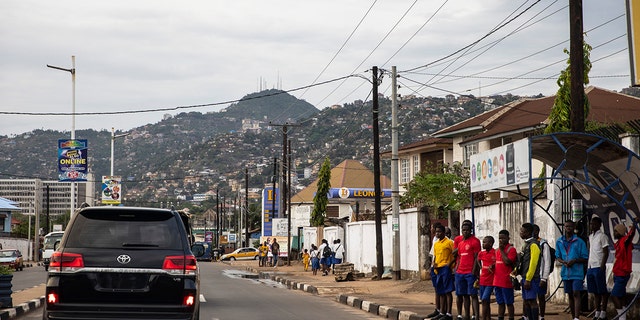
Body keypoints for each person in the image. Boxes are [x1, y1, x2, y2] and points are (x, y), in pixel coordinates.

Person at [555, 220, 588, 320]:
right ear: (564, 227)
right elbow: (557, 256)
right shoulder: (559, 241)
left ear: (574, 228)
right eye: (566, 226)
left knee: (576, 293)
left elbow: (585, 257)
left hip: (577, 272)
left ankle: (577, 317)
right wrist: (563, 262)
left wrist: (575, 261)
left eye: (570, 226)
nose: (568, 228)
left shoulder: (579, 242)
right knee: (569, 294)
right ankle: (573, 316)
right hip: (566, 272)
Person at [610, 217, 638, 320]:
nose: (614, 233)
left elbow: (631, 235)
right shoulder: (617, 243)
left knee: (614, 295)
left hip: (622, 274)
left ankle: (621, 317)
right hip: (617, 273)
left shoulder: (625, 242)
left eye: (616, 231)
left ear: (620, 232)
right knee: (620, 296)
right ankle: (623, 317)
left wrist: (634, 224)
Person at [453, 222, 481, 320]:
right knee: (463, 295)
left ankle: (476, 315)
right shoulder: (460, 243)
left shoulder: (475, 241)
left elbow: (477, 257)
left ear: (471, 230)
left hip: (470, 273)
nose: (465, 232)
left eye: (467, 230)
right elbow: (459, 257)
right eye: (463, 230)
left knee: (473, 294)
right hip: (460, 272)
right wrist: (456, 268)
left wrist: (474, 272)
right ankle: (466, 315)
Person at [586, 216, 609, 320]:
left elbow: (605, 252)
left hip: (598, 266)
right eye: (591, 223)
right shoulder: (590, 237)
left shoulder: (602, 236)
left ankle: (603, 312)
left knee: (602, 291)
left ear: (599, 225)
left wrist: (602, 265)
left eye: (594, 224)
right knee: (595, 291)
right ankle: (597, 312)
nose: (592, 225)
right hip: (591, 266)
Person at [432, 224, 455, 320]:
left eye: (440, 232)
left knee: (447, 291)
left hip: (446, 268)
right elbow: (435, 255)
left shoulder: (449, 242)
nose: (438, 233)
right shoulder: (436, 243)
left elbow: (455, 255)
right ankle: (442, 312)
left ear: (443, 233)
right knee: (440, 291)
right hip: (438, 269)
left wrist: (449, 265)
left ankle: (449, 313)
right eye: (436, 232)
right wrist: (434, 264)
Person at [519, 223, 542, 320]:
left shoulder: (533, 245)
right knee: (527, 301)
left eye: (522, 231)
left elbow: (533, 263)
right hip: (525, 277)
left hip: (531, 278)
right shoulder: (526, 244)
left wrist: (528, 279)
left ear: (528, 233)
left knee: (532, 301)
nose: (520, 233)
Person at [494, 229, 517, 320]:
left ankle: (511, 317)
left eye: (503, 238)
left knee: (509, 302)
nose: (501, 240)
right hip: (497, 280)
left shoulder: (511, 249)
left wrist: (502, 250)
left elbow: (507, 262)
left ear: (508, 238)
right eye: (500, 238)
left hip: (506, 281)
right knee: (500, 302)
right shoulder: (496, 251)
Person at [533, 224, 552, 320]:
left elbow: (547, 261)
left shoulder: (543, 244)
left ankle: (542, 316)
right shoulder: (529, 243)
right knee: (530, 298)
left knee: (541, 297)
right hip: (531, 276)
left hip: (540, 276)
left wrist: (544, 278)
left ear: (536, 232)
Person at [427, 222, 444, 320]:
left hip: (441, 267)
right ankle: (437, 309)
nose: (431, 230)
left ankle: (442, 310)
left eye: (432, 227)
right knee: (437, 290)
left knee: (442, 291)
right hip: (435, 267)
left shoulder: (447, 242)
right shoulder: (435, 240)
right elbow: (432, 255)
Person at [476, 236, 496, 320]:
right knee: (486, 301)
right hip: (482, 280)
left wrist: (493, 266)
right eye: (483, 242)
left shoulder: (495, 253)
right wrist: (481, 267)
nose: (483, 244)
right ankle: (488, 317)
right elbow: (477, 260)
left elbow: (497, 262)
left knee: (484, 299)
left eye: (485, 242)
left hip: (490, 280)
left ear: (490, 243)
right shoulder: (481, 253)